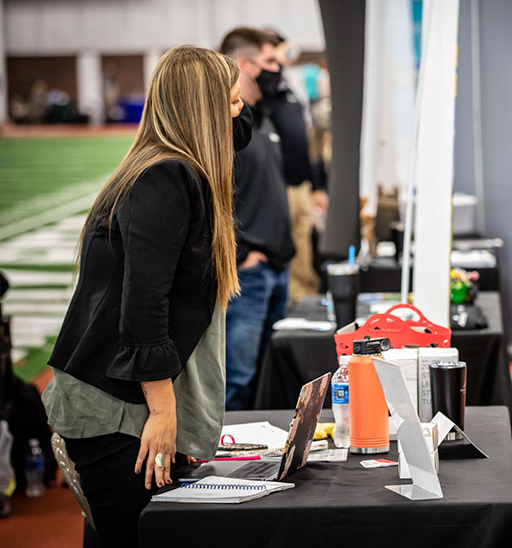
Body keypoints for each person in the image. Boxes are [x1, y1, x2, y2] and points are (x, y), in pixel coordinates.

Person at [41, 45, 246, 547]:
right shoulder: (167, 177)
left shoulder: (166, 167)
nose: (242, 113)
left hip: (118, 399)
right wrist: (164, 412)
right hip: (115, 407)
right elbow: (143, 305)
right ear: (206, 112)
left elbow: (239, 135)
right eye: (234, 103)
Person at [219, 28, 297, 410]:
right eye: (268, 62)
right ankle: (225, 466)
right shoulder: (221, 123)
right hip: (248, 272)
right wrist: (241, 253)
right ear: (242, 64)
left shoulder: (259, 116)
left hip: (275, 265)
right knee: (238, 379)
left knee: (267, 377)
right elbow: (210, 195)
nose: (276, 69)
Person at [261, 28, 329, 302]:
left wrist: (316, 185)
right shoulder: (265, 88)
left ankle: (305, 293)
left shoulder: (287, 86)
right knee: (288, 245)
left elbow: (306, 139)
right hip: (281, 184)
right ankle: (292, 300)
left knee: (303, 242)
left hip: (300, 184)